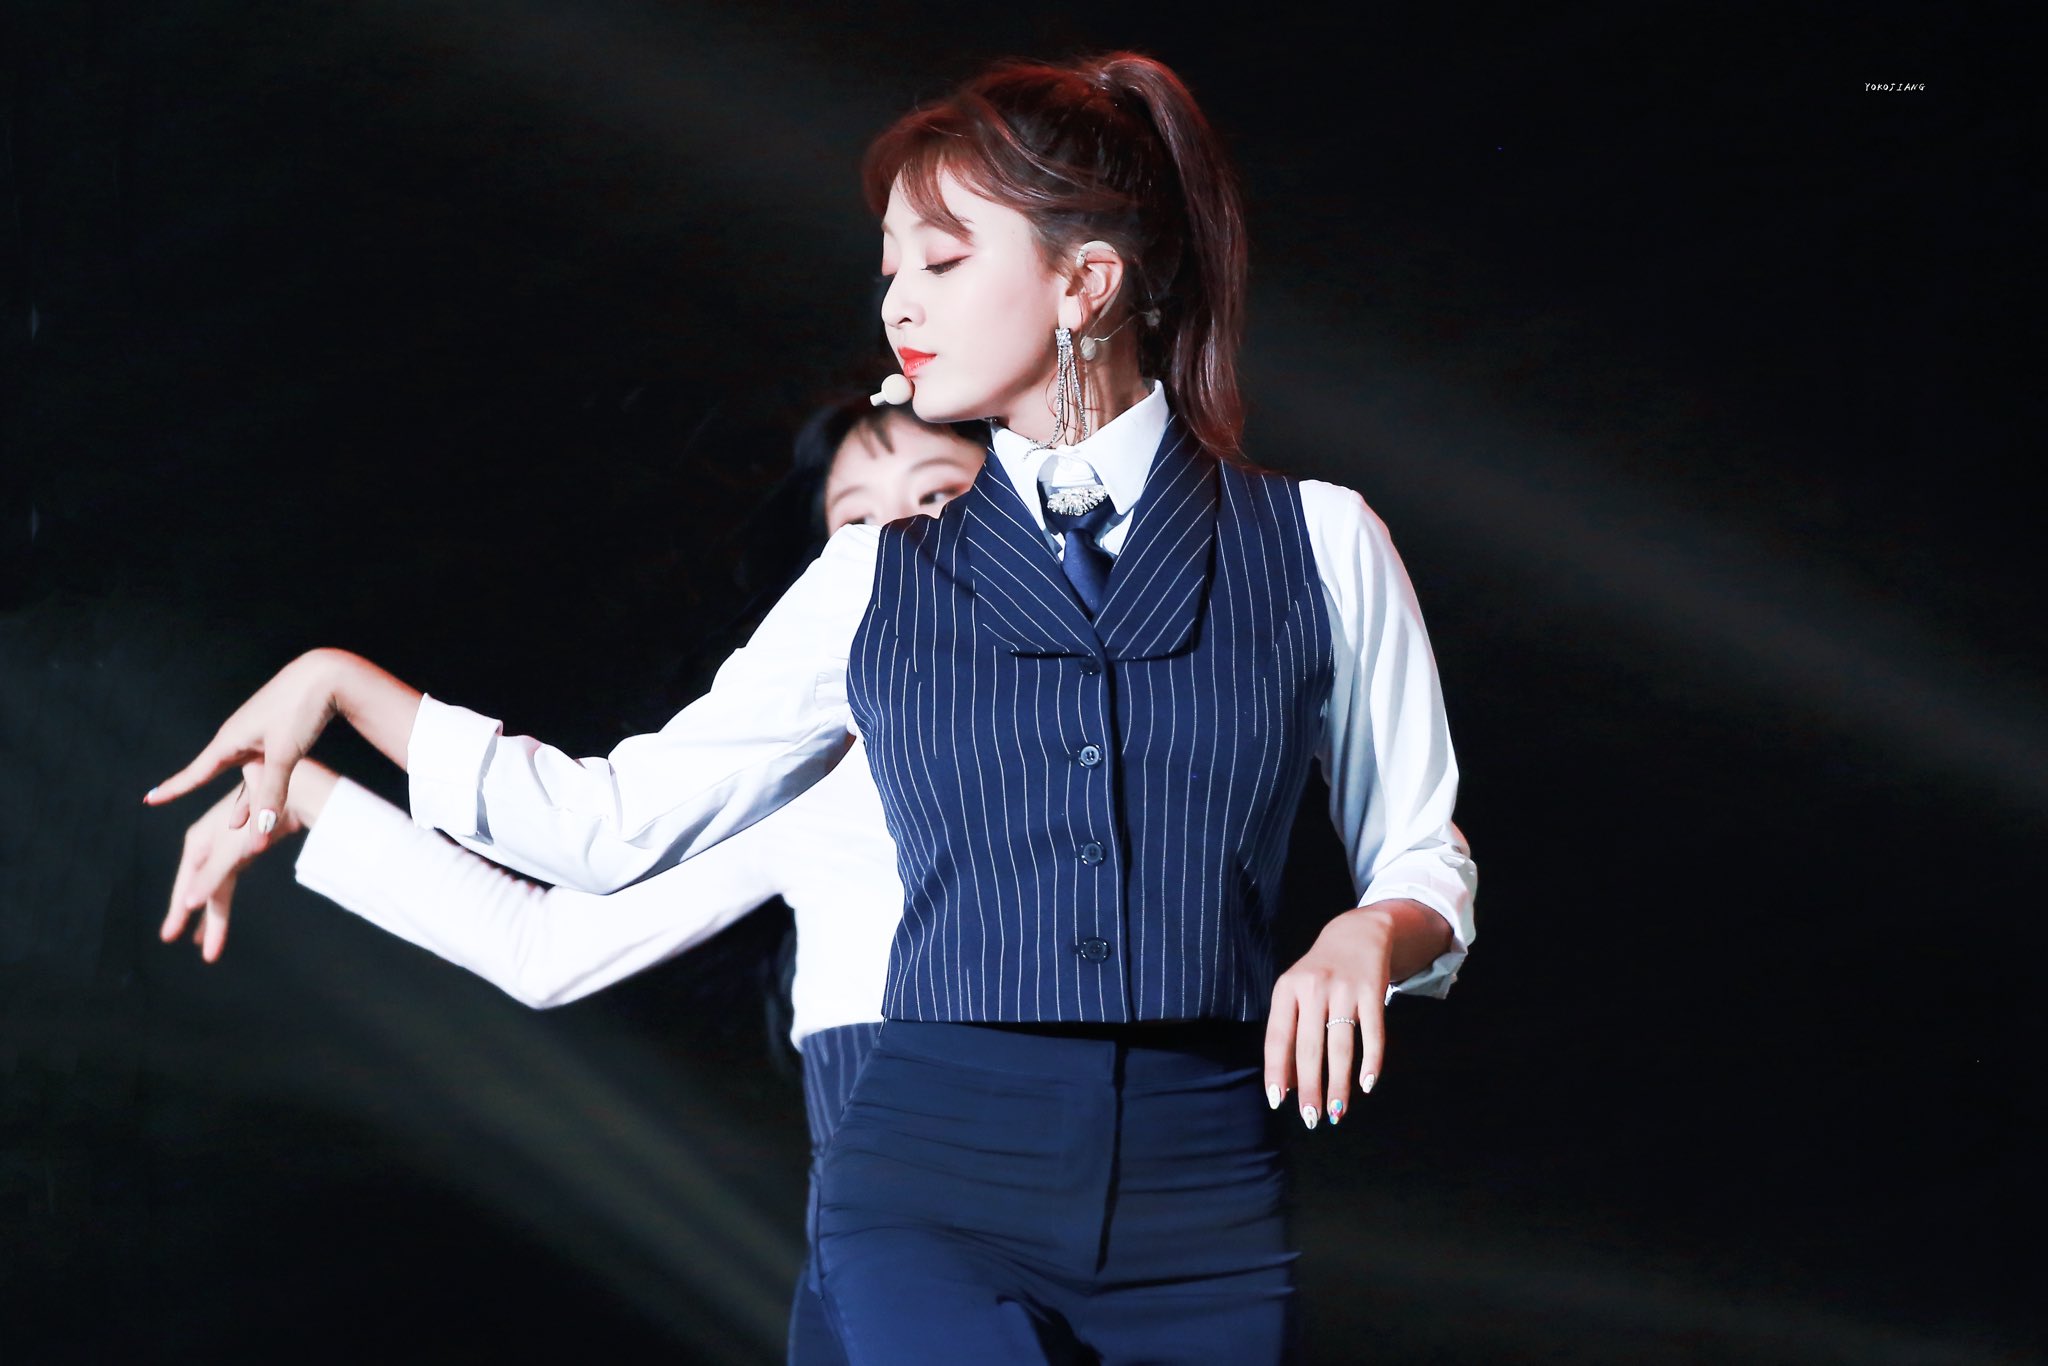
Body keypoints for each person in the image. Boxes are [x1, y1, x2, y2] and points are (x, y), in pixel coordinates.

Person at [151, 52, 1478, 1363]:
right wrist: (341, 691)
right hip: (929, 1176)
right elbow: (600, 838)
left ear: (1086, 282)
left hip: (1211, 1192)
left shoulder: (1321, 545)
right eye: (889, 265)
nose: (898, 300)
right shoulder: (867, 588)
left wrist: (1370, 928)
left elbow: (1423, 850)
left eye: (941, 260)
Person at [163, 395, 986, 1366]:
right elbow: (547, 943)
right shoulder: (804, 775)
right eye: (854, 521)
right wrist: (310, 794)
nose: (895, 537)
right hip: (898, 1183)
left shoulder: (1127, 681)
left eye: (936, 494)